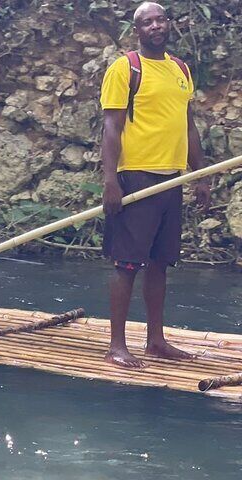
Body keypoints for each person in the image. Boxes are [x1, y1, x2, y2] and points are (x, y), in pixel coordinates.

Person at [99, 2, 211, 368]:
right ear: (138, 31)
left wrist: (200, 176)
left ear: (169, 24)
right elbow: (112, 127)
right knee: (127, 263)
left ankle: (156, 341)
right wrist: (111, 181)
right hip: (137, 178)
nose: (156, 26)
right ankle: (117, 345)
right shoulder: (125, 68)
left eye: (160, 19)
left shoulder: (180, 69)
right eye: (147, 22)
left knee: (160, 262)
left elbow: (187, 125)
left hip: (172, 178)